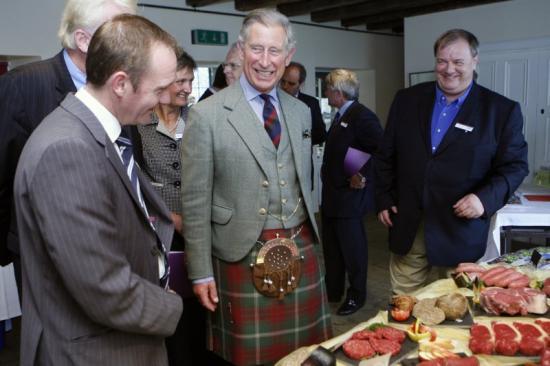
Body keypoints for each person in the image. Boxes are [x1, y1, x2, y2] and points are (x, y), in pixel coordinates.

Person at [13, 14, 183, 365]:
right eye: (157, 89)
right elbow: (104, 288)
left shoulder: (103, 133)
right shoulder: (67, 149)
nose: (165, 100)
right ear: (120, 83)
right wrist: (175, 305)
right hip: (93, 351)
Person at [180, 8, 332, 365]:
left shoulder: (300, 112)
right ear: (241, 50)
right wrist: (200, 271)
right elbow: (196, 200)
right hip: (239, 253)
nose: (265, 61)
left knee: (308, 356)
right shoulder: (208, 114)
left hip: (302, 246)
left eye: (274, 51)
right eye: (257, 49)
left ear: (288, 56)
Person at [375, 29, 529, 294]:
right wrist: (384, 197)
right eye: (442, 61)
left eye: (458, 62)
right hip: (409, 226)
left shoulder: (501, 111)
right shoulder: (406, 100)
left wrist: (483, 199)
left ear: (475, 61)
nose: (449, 69)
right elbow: (386, 155)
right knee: (403, 303)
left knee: (458, 307)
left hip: (461, 232)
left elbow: (514, 166)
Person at [0, 0, 136, 280]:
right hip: (44, 251)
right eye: (120, 33)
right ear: (83, 40)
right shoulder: (23, 85)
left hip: (115, 246)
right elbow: (3, 173)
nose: (132, 44)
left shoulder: (124, 87)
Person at [130, 48, 209, 366]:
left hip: (201, 231)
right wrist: (172, 219)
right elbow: (134, 180)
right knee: (169, 309)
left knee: (201, 308)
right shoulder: (138, 124)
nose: (188, 88)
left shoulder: (199, 119)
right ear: (161, 82)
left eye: (190, 80)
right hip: (159, 235)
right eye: (181, 80)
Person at [321, 69, 383, 315]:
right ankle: (333, 290)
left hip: (349, 199)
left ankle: (356, 295)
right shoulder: (340, 115)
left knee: (352, 250)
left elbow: (379, 148)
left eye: (327, 89)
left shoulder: (362, 116)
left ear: (338, 92)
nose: (325, 93)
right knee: (332, 248)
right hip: (333, 196)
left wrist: (359, 174)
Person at [281, 61, 326, 145]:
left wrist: (302, 136)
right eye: (283, 81)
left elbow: (321, 134)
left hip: (303, 156)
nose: (285, 87)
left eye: (291, 84)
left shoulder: (311, 103)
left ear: (300, 84)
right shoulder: (271, 101)